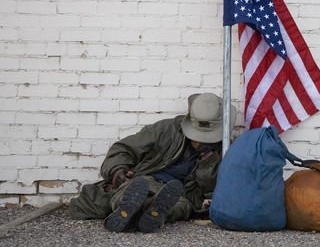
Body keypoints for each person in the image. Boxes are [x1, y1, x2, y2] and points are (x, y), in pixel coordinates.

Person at [68, 93, 235, 233]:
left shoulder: (226, 151)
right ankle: (135, 209)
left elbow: (215, 193)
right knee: (133, 188)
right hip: (146, 181)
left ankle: (139, 215)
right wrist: (118, 171)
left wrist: (208, 167)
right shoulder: (165, 130)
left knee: (180, 206)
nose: (199, 142)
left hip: (179, 194)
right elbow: (123, 149)